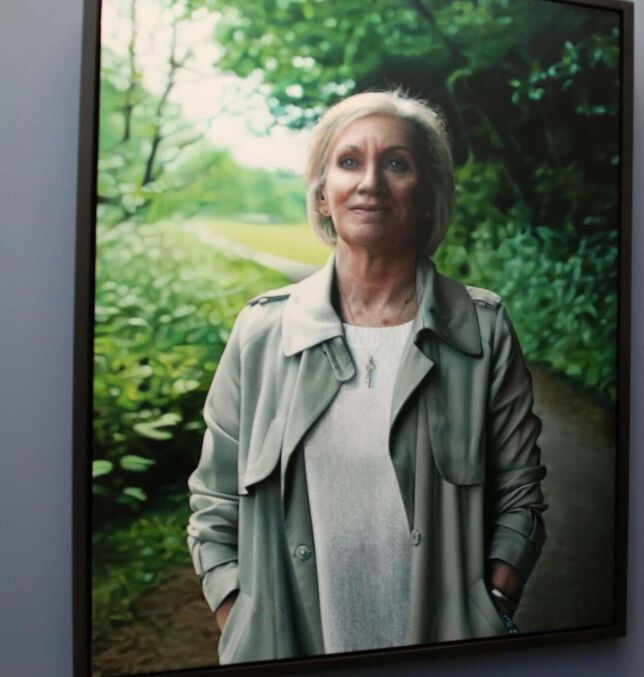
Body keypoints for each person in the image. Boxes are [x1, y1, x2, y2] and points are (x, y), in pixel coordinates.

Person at [186, 90, 547, 664]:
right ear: (323, 196)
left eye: (397, 163)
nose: (370, 182)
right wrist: (240, 613)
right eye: (349, 162)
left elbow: (520, 493)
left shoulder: (483, 329)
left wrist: (494, 600)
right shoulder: (262, 333)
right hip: (291, 646)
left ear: (428, 195)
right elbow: (213, 500)